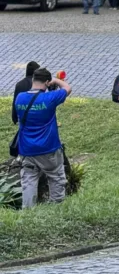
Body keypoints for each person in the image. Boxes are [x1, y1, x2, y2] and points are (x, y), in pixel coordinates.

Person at [14, 68, 72, 209]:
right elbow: (67, 88)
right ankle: (56, 208)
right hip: (48, 148)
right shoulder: (49, 98)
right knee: (56, 177)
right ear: (47, 82)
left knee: (29, 179)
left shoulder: (20, 98)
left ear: (33, 80)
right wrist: (56, 80)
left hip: (27, 149)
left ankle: (28, 211)